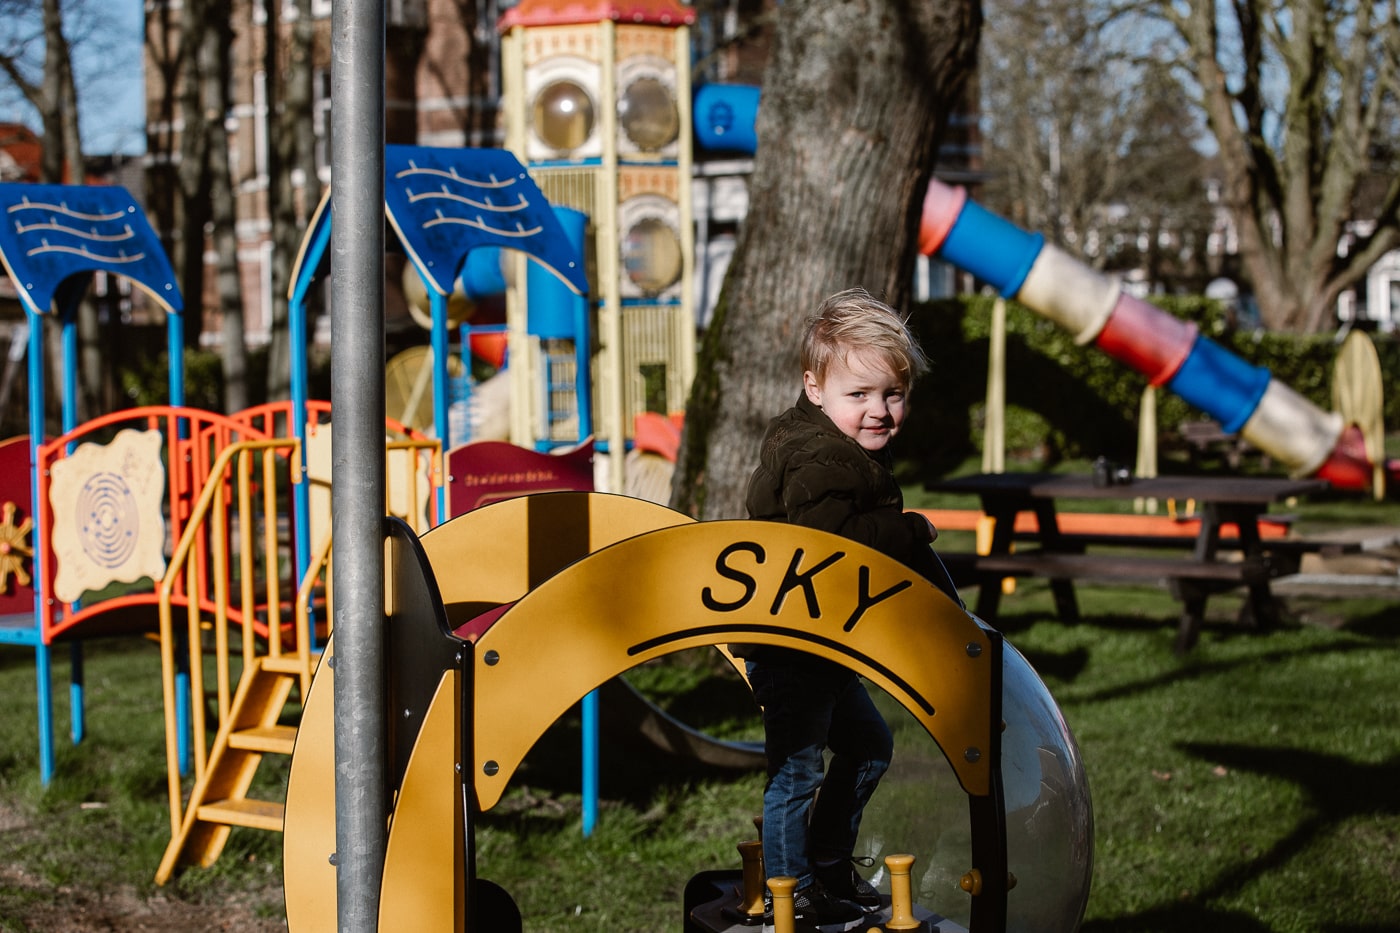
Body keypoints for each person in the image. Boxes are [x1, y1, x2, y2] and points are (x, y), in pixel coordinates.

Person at [741, 287, 948, 929]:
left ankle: (827, 861)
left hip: (820, 640)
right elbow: (836, 544)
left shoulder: (839, 447)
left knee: (867, 745)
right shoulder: (820, 455)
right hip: (790, 640)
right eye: (859, 395)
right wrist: (909, 530)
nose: (879, 411)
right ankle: (791, 890)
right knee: (797, 769)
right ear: (814, 387)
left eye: (891, 394)